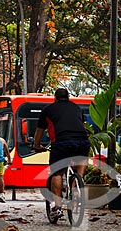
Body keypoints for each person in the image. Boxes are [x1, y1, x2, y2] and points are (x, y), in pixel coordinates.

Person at [32, 88, 90, 220]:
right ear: (68, 97)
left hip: (62, 143)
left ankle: (57, 208)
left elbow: (39, 131)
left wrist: (36, 145)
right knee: (82, 160)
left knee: (57, 173)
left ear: (55, 98)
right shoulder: (76, 108)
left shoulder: (48, 110)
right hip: (83, 141)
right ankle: (78, 183)